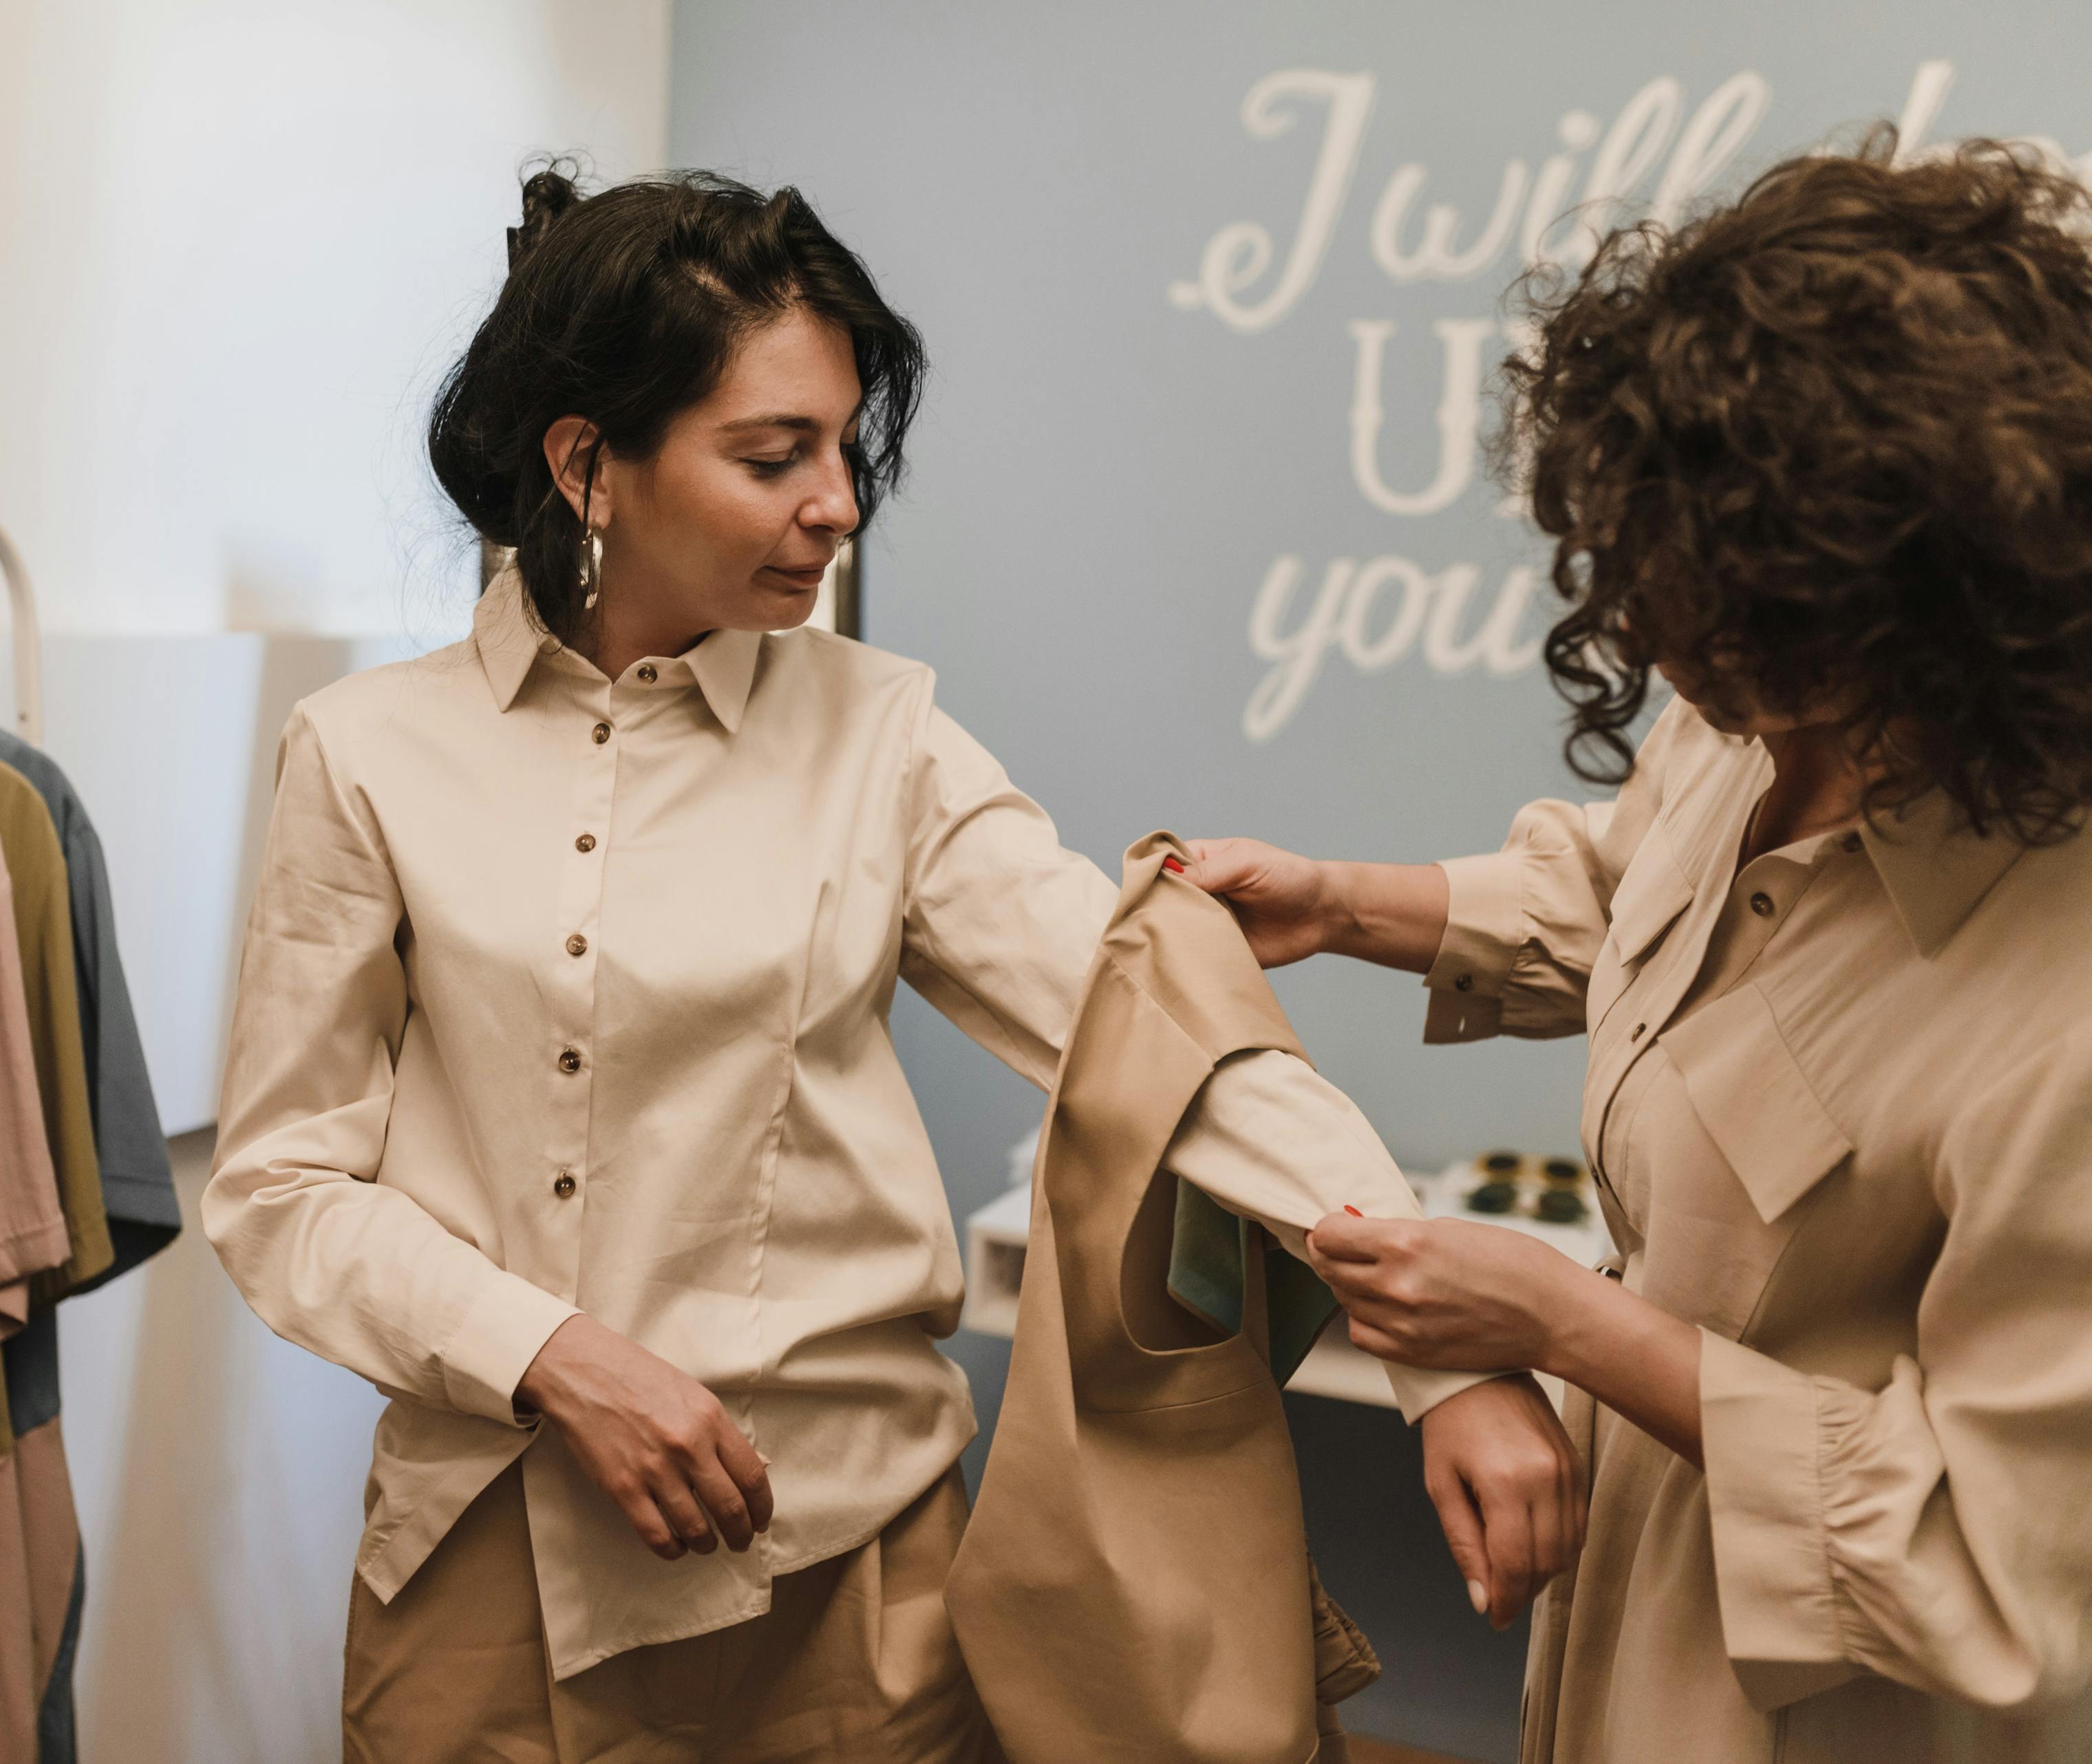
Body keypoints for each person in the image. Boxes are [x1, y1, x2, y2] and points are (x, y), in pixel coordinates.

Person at [205, 164, 1579, 1761]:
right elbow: (285, 1190)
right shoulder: (365, 754)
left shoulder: (887, 738)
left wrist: (1441, 1357)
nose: (840, 501)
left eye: (845, 447)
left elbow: (1167, 1045)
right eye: (772, 454)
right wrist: (549, 1354)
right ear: (589, 463)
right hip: (487, 1585)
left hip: (846, 1584)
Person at [1182, 136, 2092, 1764]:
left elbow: (1999, 1575)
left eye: (1727, 605)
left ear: (1945, 596)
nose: (1662, 640)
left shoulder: (2062, 998)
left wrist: (1561, 1324)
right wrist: (1344, 903)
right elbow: (1635, 902)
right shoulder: (1765, 704)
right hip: (1631, 1622)